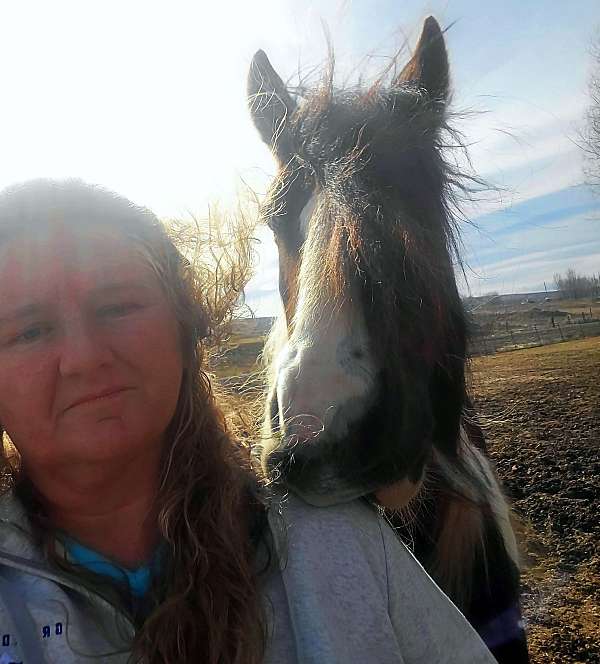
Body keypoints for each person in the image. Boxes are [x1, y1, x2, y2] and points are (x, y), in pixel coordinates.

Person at [0, 178, 497, 663]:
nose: (84, 358)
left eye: (117, 306)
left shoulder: (335, 539)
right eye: (28, 331)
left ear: (185, 328)